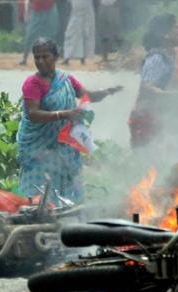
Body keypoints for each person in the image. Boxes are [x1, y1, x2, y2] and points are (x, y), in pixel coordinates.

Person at [17, 37, 121, 203]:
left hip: (63, 147)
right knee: (39, 196)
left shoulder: (65, 80)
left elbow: (87, 95)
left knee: (68, 190)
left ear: (56, 57)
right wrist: (64, 114)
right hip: (39, 148)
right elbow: (33, 114)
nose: (41, 61)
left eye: (45, 56)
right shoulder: (32, 83)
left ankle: (70, 220)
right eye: (37, 57)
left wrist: (108, 91)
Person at [127, 13, 178, 163]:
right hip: (149, 123)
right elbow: (148, 88)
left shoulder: (175, 54)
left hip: (168, 123)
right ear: (165, 34)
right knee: (152, 169)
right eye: (176, 27)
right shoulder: (157, 58)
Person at [18, 0, 60, 66]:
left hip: (49, 7)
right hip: (37, 9)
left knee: (51, 33)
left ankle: (52, 58)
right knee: (30, 34)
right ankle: (24, 58)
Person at [61, 0, 95, 65]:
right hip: (80, 13)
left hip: (81, 14)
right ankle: (74, 58)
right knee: (77, 35)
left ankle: (70, 59)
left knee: (73, 35)